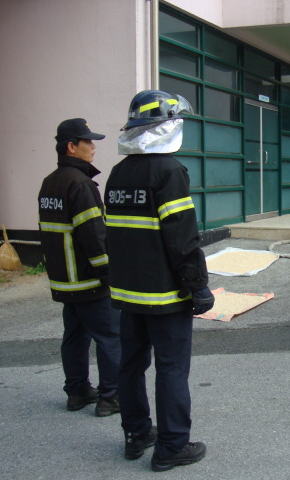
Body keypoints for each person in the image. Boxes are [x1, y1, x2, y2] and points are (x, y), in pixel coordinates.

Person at [105, 90, 214, 472]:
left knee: (131, 365)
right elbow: (182, 238)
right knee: (171, 369)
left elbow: (114, 234)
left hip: (127, 293)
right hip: (165, 295)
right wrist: (197, 286)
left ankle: (136, 434)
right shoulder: (170, 171)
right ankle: (172, 446)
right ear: (165, 126)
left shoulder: (118, 173)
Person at [38, 118, 121, 416]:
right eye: (87, 141)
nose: (93, 147)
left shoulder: (50, 182)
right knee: (111, 337)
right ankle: (110, 397)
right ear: (71, 147)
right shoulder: (82, 185)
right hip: (88, 281)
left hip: (64, 281)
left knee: (74, 337)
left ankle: (77, 392)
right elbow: (94, 237)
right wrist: (108, 275)